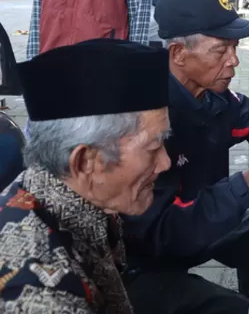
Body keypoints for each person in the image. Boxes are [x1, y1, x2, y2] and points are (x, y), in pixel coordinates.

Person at [122, 0, 249, 314]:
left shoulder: (209, 97)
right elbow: (162, 233)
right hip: (141, 261)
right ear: (179, 54)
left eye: (235, 47)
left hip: (200, 223)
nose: (234, 61)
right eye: (221, 50)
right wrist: (248, 184)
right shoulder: (144, 120)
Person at [0, 39, 171, 313]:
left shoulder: (70, 196)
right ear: (85, 161)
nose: (165, 162)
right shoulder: (44, 298)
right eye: (154, 146)